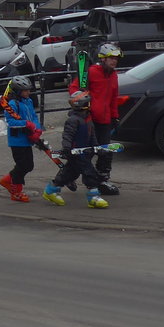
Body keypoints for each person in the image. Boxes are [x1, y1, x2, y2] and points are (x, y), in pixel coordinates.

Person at [43, 88, 109, 208]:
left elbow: (92, 135)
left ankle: (51, 190)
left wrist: (96, 147)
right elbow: (67, 135)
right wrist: (66, 148)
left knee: (69, 174)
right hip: (76, 153)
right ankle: (93, 197)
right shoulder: (73, 120)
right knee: (90, 173)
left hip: (85, 153)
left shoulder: (88, 118)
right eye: (88, 103)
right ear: (83, 105)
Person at [76, 42, 122, 183]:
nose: (114, 61)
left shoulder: (113, 75)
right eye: (111, 58)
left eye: (116, 59)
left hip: (105, 120)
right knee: (86, 152)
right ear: (103, 58)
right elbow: (74, 88)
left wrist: (115, 116)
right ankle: (76, 177)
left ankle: (103, 178)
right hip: (90, 119)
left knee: (106, 152)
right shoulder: (91, 72)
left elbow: (113, 98)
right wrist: (82, 103)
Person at [0, 75, 41, 202]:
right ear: (17, 91)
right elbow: (11, 122)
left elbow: (33, 116)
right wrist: (26, 124)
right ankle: (16, 191)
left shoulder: (28, 101)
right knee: (22, 165)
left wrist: (37, 128)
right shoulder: (12, 104)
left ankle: (7, 180)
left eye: (29, 90)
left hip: (27, 139)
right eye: (25, 90)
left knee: (29, 165)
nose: (28, 92)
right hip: (17, 141)